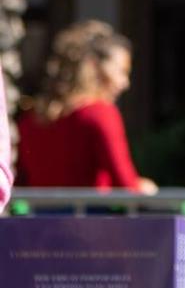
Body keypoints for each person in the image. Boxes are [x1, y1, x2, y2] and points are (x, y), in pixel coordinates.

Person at [16, 20, 158, 193]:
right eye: (122, 71)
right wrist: (145, 187)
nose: (125, 83)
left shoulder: (31, 119)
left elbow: (20, 181)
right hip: (88, 217)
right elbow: (126, 184)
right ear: (95, 67)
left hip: (39, 218)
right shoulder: (100, 114)